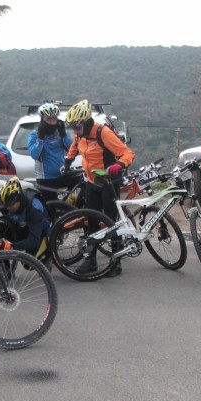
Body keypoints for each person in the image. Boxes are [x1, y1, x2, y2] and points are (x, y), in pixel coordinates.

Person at [64, 99, 135, 277]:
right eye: (73, 128)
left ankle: (116, 262)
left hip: (109, 183)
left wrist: (119, 164)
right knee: (91, 221)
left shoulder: (103, 132)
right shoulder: (80, 134)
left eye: (77, 127)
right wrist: (68, 160)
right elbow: (74, 146)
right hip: (92, 182)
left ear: (87, 122)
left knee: (111, 222)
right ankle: (91, 260)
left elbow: (127, 153)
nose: (75, 131)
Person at [0, 176, 51, 264]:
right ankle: (5, 270)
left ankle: (47, 256)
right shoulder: (7, 205)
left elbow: (34, 240)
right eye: (5, 205)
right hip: (22, 226)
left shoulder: (34, 210)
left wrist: (12, 246)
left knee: (27, 263)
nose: (8, 208)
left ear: (19, 199)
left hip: (39, 230)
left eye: (10, 205)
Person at [27, 102, 79, 189]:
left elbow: (72, 149)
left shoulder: (59, 132)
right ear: (42, 119)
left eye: (54, 119)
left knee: (80, 186)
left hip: (61, 174)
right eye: (49, 119)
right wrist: (40, 138)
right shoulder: (34, 135)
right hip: (45, 178)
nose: (52, 122)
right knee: (50, 198)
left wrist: (63, 134)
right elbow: (34, 155)